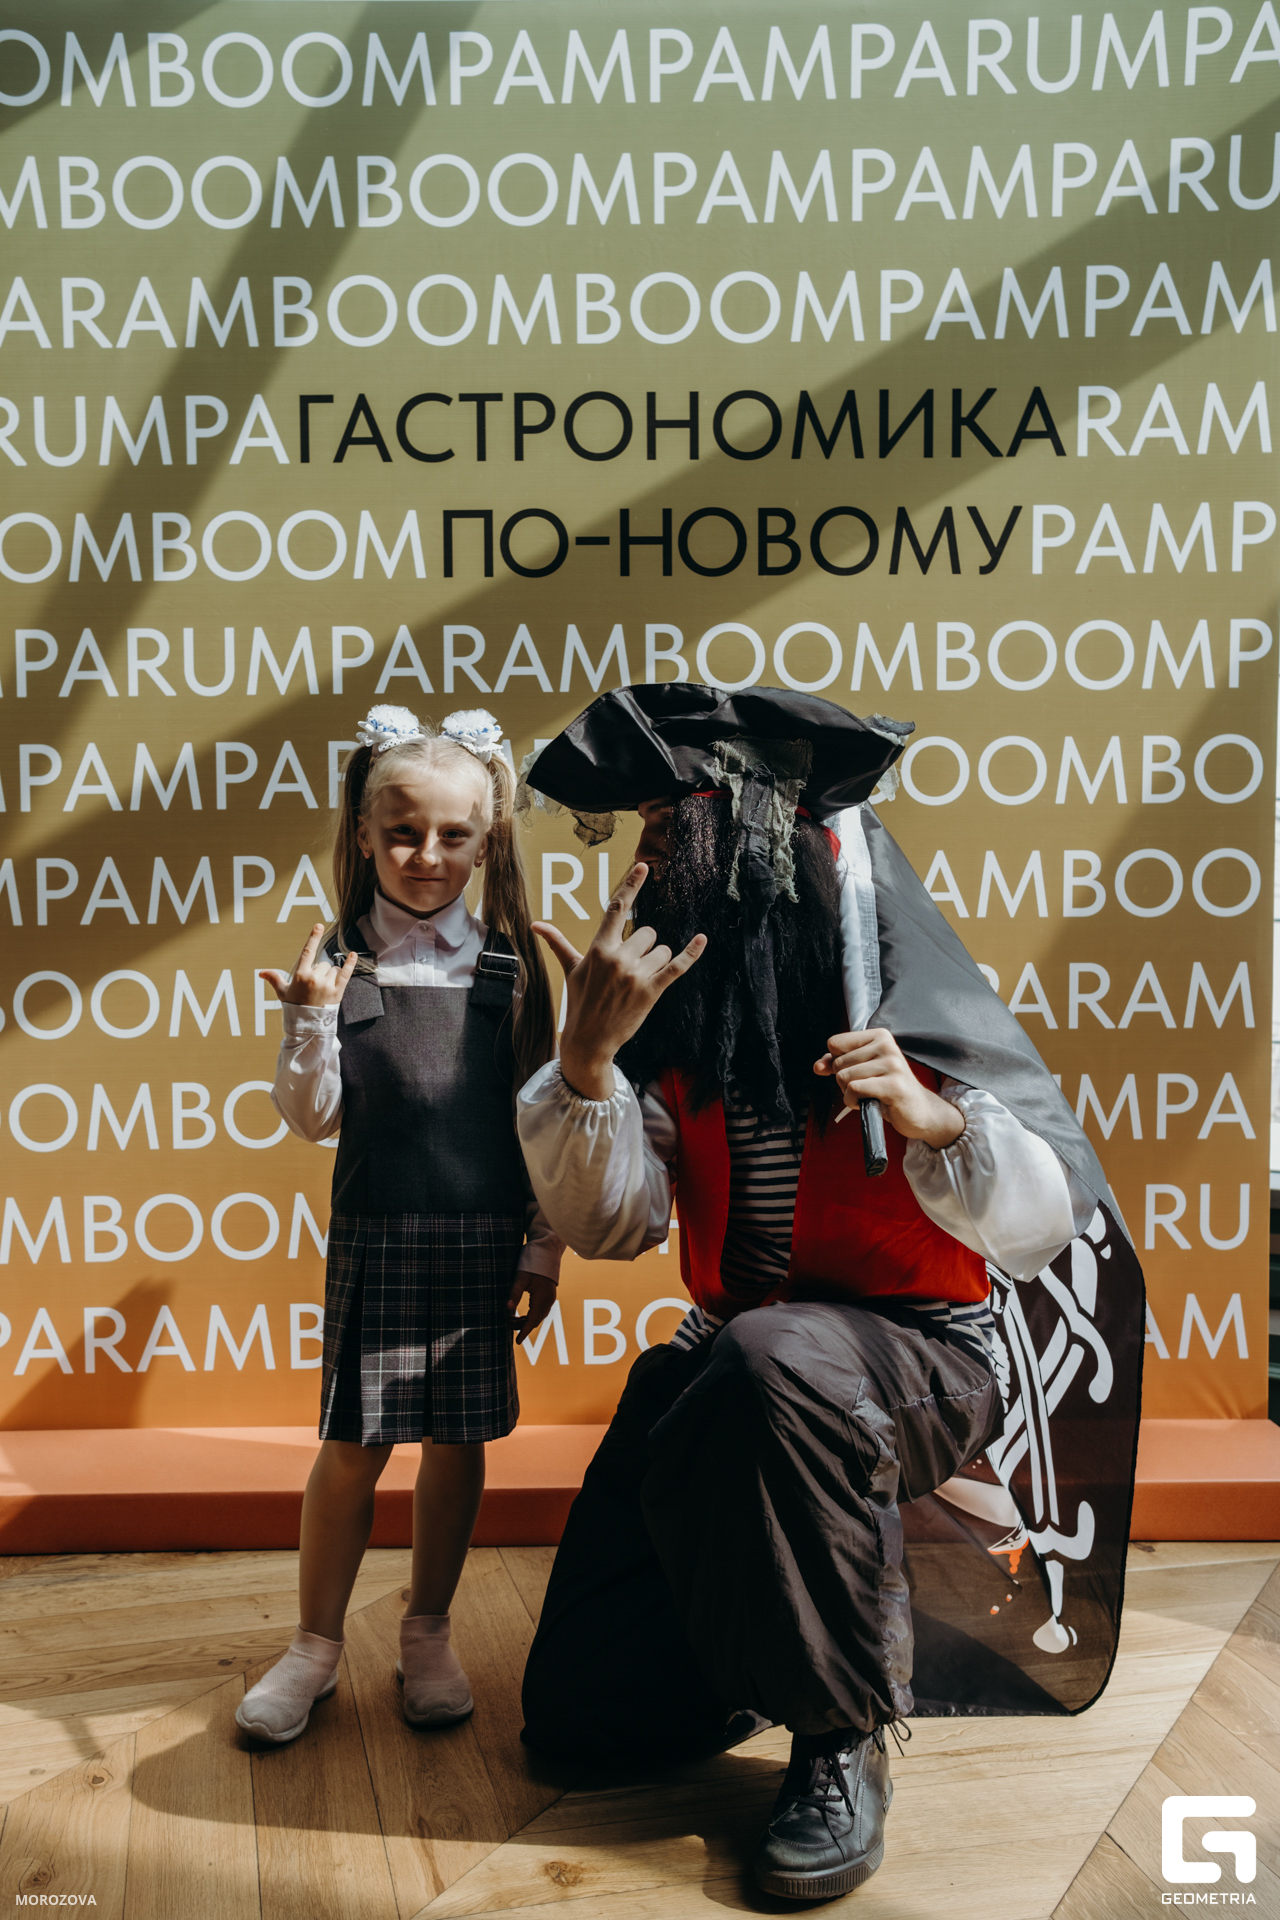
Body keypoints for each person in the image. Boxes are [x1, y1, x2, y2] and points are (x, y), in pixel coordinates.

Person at [514, 683, 1144, 1903]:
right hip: (739, 1358)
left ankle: (840, 1732)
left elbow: (1035, 1230)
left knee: (775, 1359)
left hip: (922, 1359)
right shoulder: (677, 1034)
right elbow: (614, 1226)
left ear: (757, 844)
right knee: (586, 1720)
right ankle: (764, 1640)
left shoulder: (904, 1016)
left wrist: (932, 1118)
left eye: (670, 829)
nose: (648, 859)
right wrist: (585, 1064)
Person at [235, 704, 561, 1745]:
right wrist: (306, 1019)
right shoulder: (337, 963)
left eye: (453, 835)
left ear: (488, 839)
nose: (428, 856)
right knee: (350, 1448)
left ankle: (427, 1633)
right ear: (364, 833)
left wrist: (542, 1248)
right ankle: (313, 1648)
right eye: (404, 832)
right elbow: (313, 1119)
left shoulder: (511, 970)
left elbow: (546, 1123)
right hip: (377, 1237)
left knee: (457, 1446)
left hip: (482, 1245)